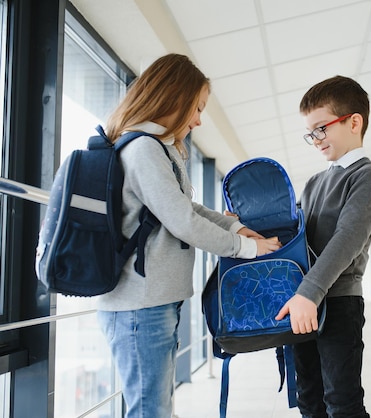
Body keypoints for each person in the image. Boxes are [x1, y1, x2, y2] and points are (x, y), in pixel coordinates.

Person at [96, 53, 281, 418]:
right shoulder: (144, 149)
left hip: (153, 301)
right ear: (173, 100)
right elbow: (183, 221)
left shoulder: (159, 149)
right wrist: (247, 248)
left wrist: (235, 226)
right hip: (139, 306)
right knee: (151, 411)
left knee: (158, 407)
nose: (198, 119)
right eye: (196, 108)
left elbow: (186, 208)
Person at [276, 75, 371, 418]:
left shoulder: (367, 176)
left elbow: (347, 239)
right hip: (304, 305)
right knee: (309, 399)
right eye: (311, 133)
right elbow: (295, 236)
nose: (316, 140)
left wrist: (309, 292)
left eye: (321, 128)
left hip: (337, 303)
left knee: (342, 402)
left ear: (354, 122)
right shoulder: (313, 183)